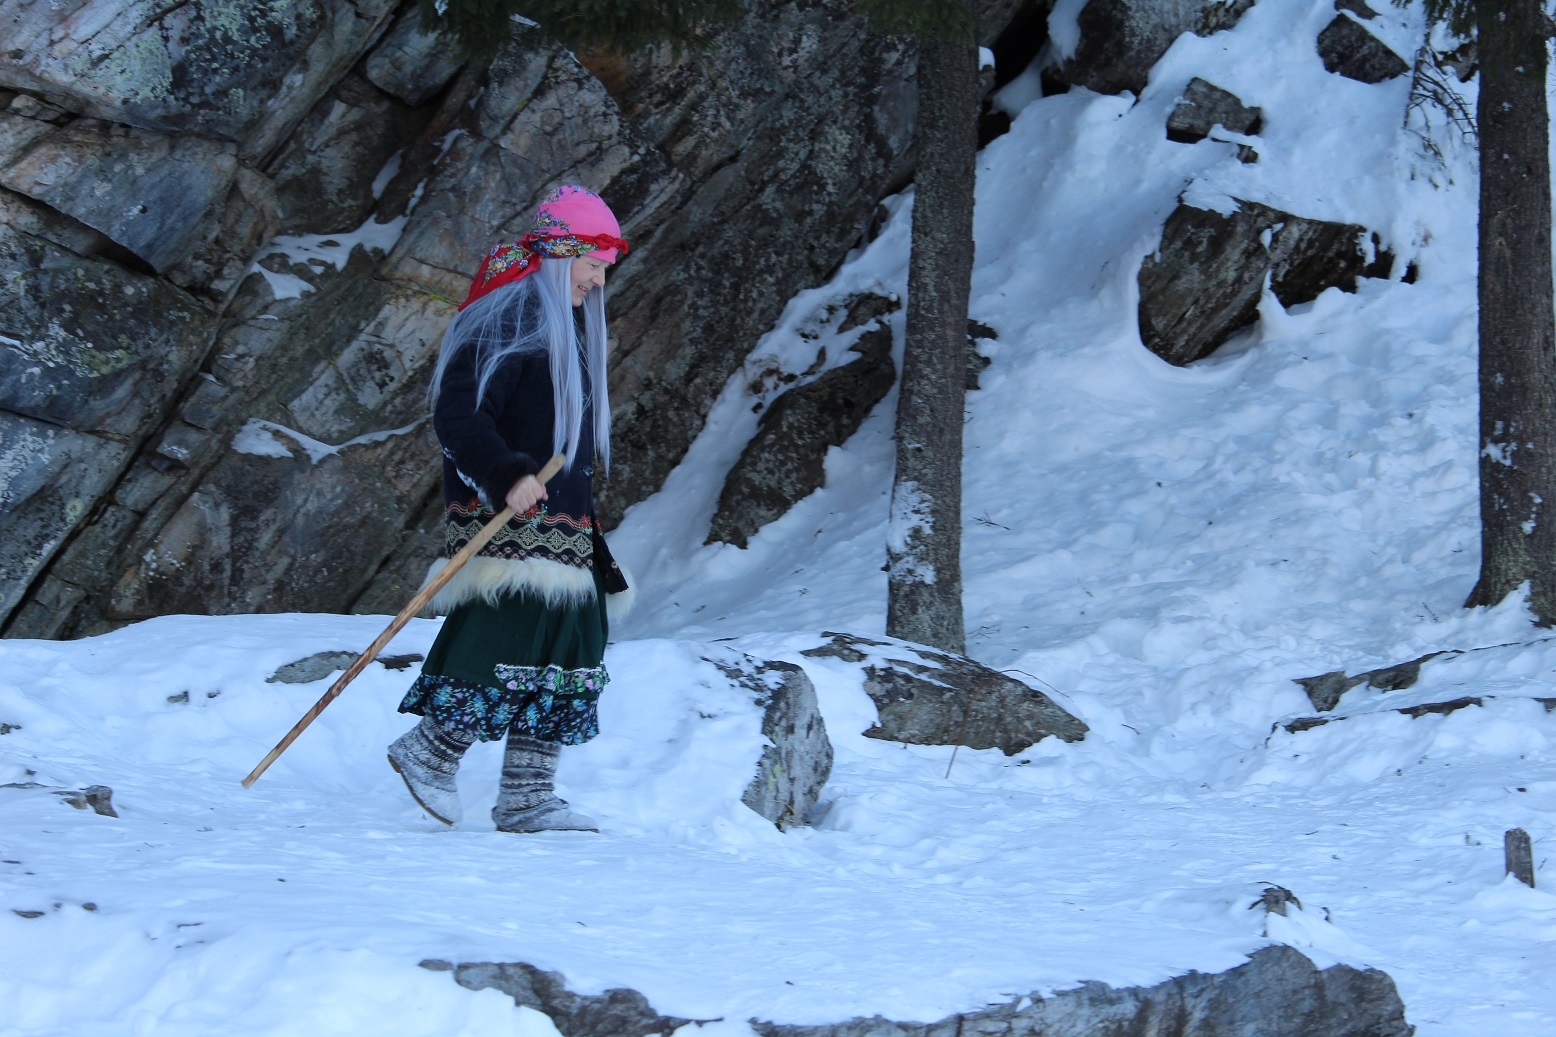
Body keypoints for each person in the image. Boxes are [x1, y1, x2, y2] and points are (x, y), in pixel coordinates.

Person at [387, 184, 634, 833]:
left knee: (574, 638)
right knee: (508, 631)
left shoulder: (568, 325)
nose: (599, 278)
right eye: (592, 263)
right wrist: (504, 474)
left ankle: (528, 793)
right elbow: (458, 413)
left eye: (604, 266)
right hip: (513, 519)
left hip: (563, 524)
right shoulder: (509, 315)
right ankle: (429, 751)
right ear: (561, 253)